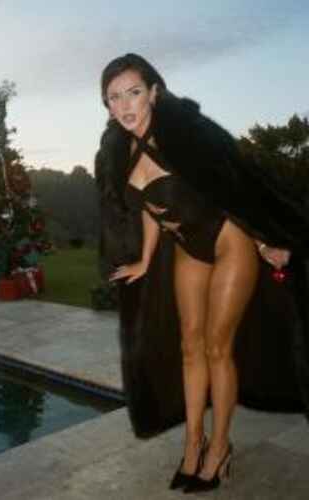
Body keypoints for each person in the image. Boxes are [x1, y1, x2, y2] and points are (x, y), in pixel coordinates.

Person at [94, 53, 309, 494]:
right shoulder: (119, 152)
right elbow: (150, 209)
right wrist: (146, 260)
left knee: (216, 347)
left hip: (229, 240)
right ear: (107, 105)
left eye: (134, 92)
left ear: (154, 92)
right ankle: (193, 445)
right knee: (189, 347)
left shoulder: (185, 138)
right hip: (188, 248)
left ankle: (220, 448)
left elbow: (233, 187)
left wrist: (264, 240)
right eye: (114, 97)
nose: (125, 104)